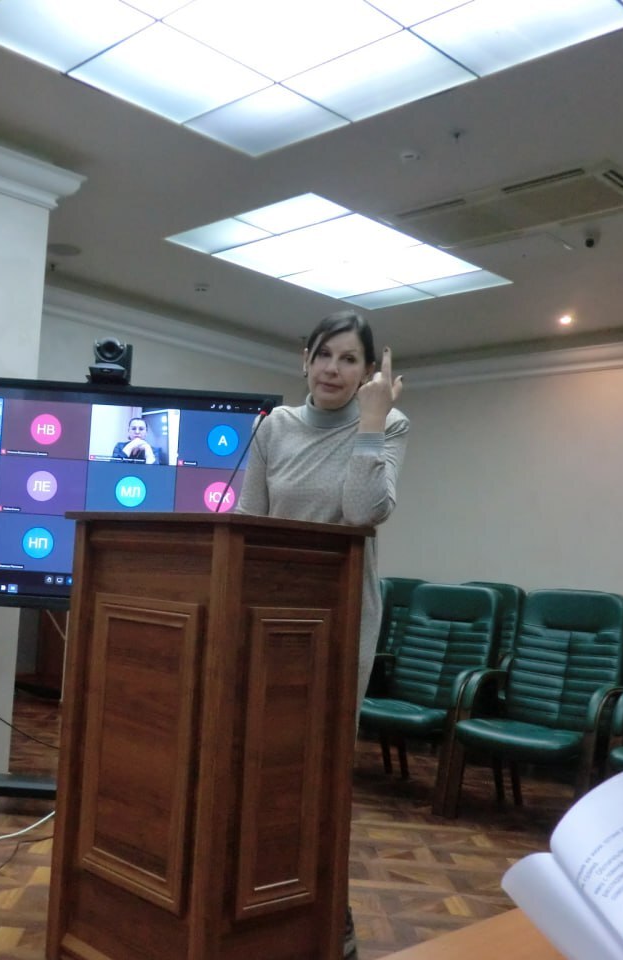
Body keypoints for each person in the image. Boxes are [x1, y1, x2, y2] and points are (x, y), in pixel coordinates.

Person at [235, 309, 407, 960]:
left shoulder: (388, 424)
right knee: (261, 758)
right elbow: (249, 520)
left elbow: (363, 512)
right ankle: (259, 897)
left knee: (323, 768)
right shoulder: (273, 426)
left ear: (367, 372)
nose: (333, 369)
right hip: (266, 613)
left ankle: (331, 910)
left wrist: (371, 422)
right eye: (324, 355)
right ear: (303, 359)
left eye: (349, 359)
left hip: (342, 615)